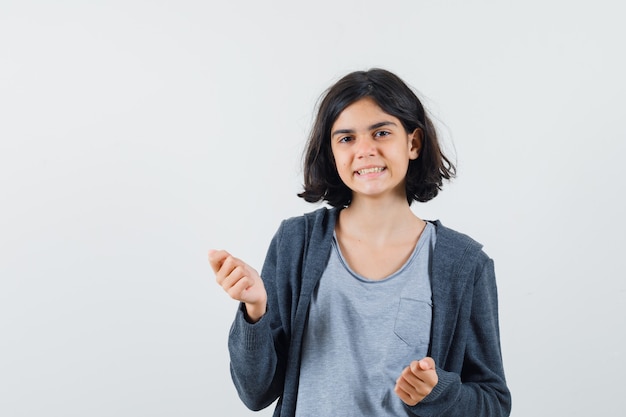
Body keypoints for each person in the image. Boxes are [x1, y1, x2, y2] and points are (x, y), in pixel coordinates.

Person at [208, 68, 511, 416]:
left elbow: (494, 404)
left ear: (413, 143)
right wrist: (255, 310)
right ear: (332, 152)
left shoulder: (463, 263)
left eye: (381, 133)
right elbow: (255, 393)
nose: (365, 150)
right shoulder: (296, 243)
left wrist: (438, 392)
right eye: (346, 138)